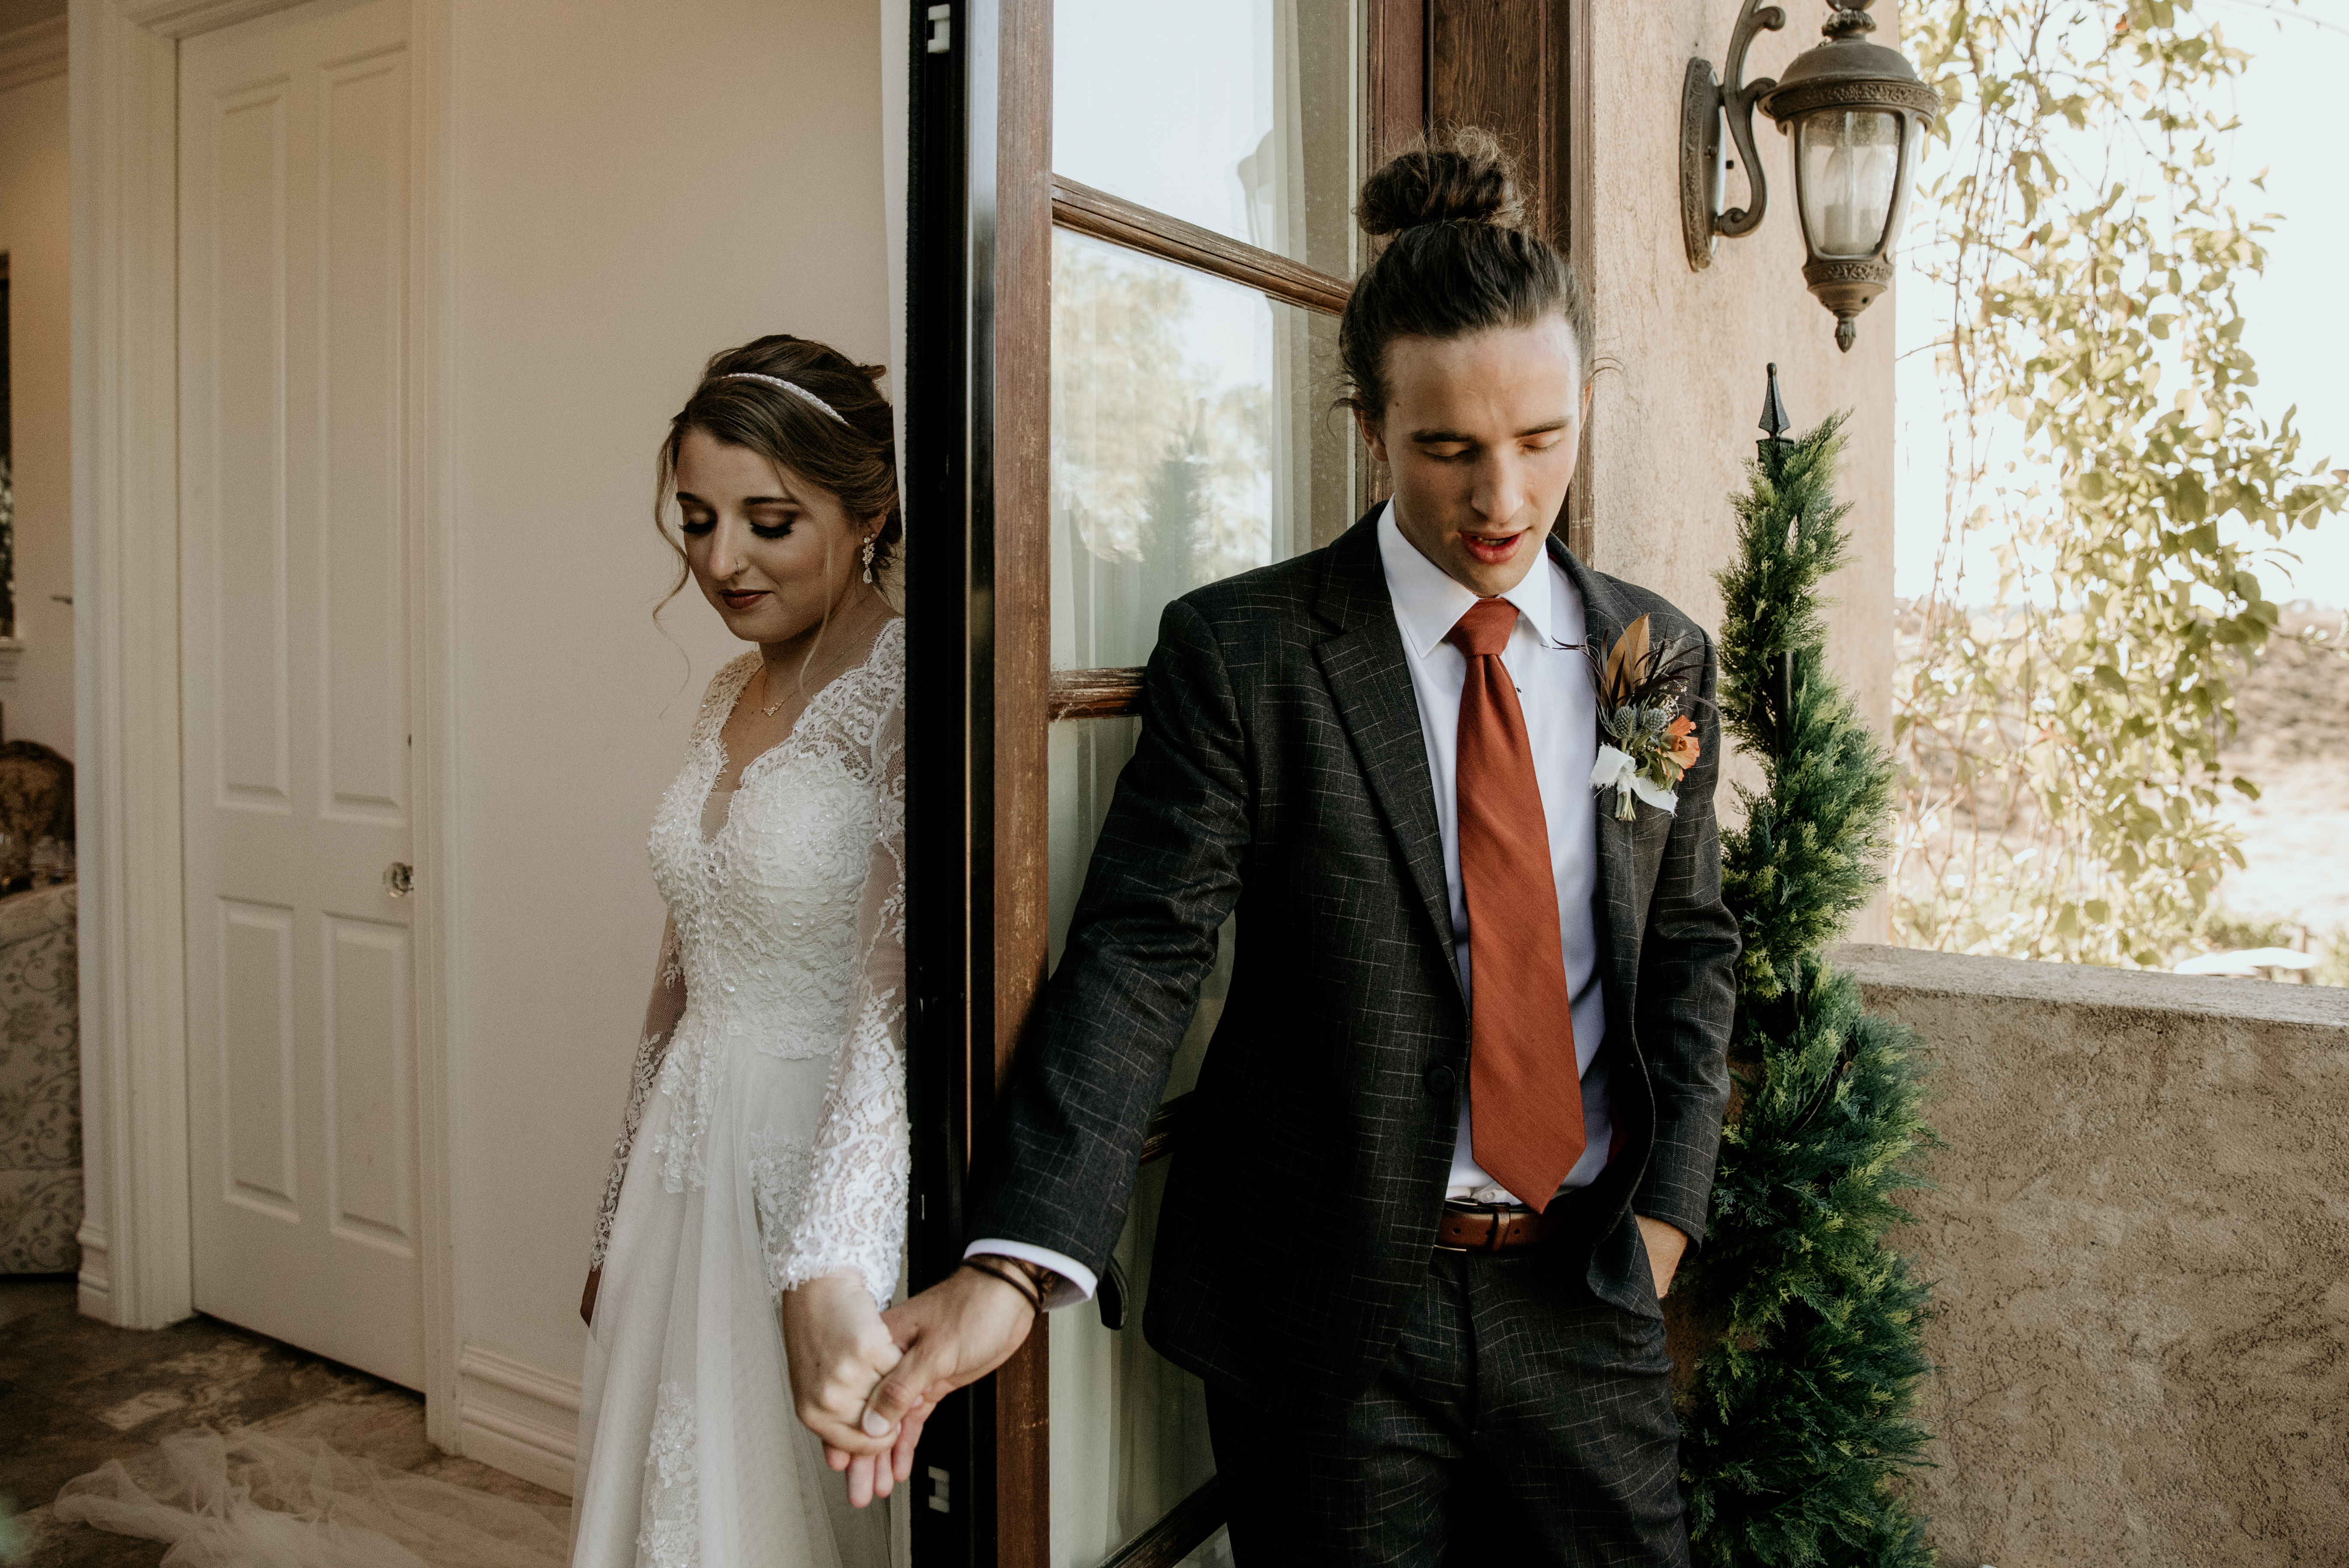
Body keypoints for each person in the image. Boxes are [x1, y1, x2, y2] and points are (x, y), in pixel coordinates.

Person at [851, 132, 1741, 1563]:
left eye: (1541, 440)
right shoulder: (1246, 652)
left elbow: (1687, 953)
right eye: (1448, 448)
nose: (1502, 500)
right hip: (1327, 1322)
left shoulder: (1659, 655)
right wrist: (1014, 1264)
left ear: (1585, 402)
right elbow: (1141, 958)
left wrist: (1665, 1223)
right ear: (1369, 426)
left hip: (1583, 1296)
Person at [570, 336, 917, 1568]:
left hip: (816, 1165)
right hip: (686, 1151)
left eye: (769, 523)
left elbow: (893, 1008)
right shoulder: (728, 691)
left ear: (867, 511)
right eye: (698, 519)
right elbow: (681, 973)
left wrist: (835, 1256)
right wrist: (615, 1214)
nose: (722, 561)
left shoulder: (909, 691)